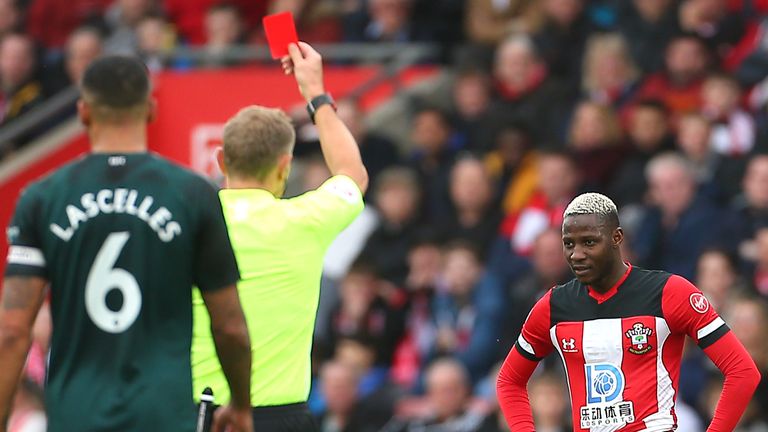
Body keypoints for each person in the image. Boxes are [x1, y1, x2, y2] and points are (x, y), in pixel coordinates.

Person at [0, 56, 253, 431]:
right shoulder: (192, 194)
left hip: (76, 415)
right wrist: (242, 404)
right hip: (162, 415)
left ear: (83, 112)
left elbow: (12, 331)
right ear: (151, 109)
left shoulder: (42, 198)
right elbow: (230, 325)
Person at [190, 41, 368, 432]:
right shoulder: (305, 220)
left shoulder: (189, 224)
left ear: (220, 160)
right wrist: (316, 95)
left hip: (200, 414)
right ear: (285, 166)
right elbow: (352, 174)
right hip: (281, 418)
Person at [497, 192, 761, 431]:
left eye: (589, 242)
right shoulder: (553, 306)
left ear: (617, 237)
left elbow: (742, 371)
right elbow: (509, 381)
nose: (577, 254)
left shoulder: (669, 292)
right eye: (569, 244)